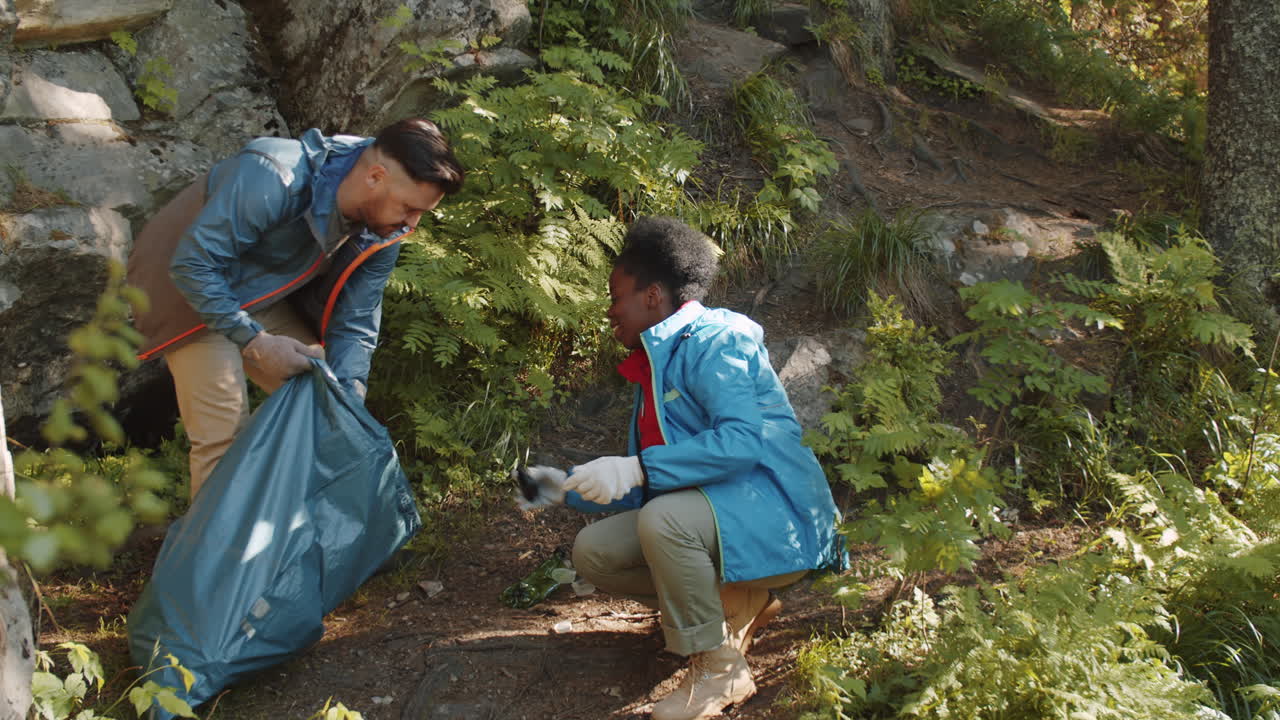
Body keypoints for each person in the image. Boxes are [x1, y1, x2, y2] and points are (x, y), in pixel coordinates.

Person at [520, 216, 843, 720]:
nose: (610, 312)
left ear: (652, 295)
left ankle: (719, 669)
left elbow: (740, 443)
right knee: (595, 552)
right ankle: (735, 607)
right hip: (724, 519)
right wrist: (566, 489)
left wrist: (635, 469)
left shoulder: (716, 340)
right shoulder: (656, 365)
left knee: (664, 521)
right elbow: (658, 480)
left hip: (780, 520)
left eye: (615, 296)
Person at [127, 118, 464, 499]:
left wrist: (348, 400)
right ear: (375, 176)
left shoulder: (386, 227)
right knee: (222, 435)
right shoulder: (273, 173)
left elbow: (354, 324)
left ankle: (292, 536)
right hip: (181, 285)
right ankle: (218, 556)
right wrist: (257, 343)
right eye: (408, 208)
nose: (412, 223)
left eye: (421, 213)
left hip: (255, 290)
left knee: (328, 404)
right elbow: (194, 265)